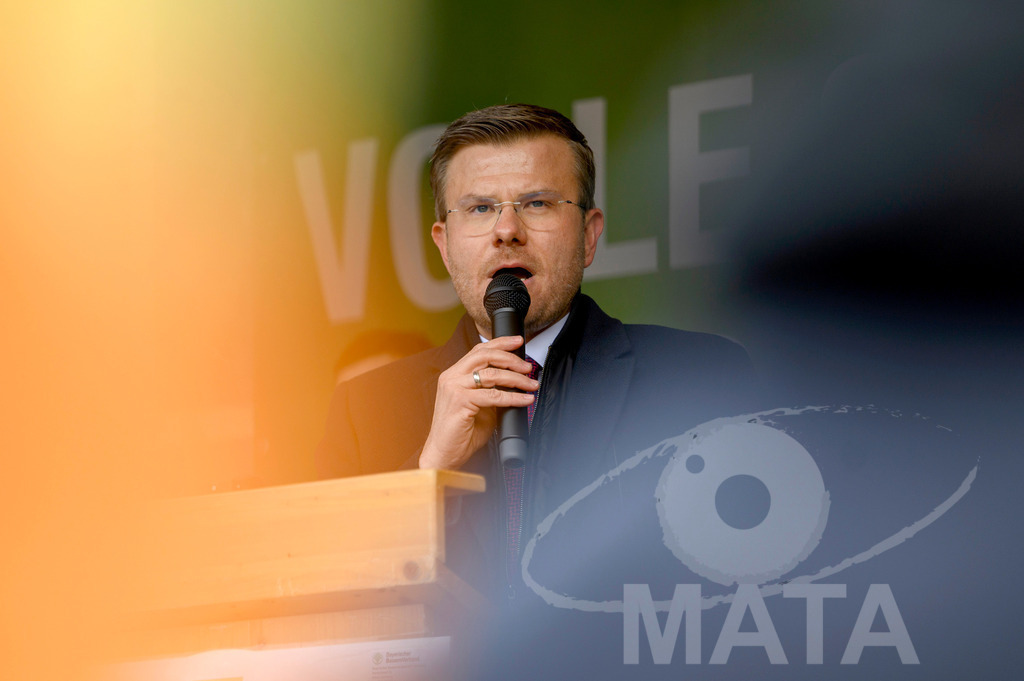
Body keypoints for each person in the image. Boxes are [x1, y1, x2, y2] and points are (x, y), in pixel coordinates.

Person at [316, 104, 759, 676]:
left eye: (537, 204)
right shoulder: (365, 408)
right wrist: (429, 472)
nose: (507, 230)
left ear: (589, 234)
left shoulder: (701, 378)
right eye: (479, 208)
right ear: (445, 243)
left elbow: (751, 590)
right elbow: (324, 609)